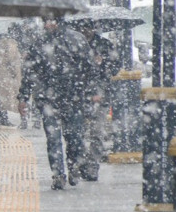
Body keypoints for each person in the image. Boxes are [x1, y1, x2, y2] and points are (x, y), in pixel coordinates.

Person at [18, 18, 96, 190]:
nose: (48, 24)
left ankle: (73, 167)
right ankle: (58, 175)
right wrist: (23, 96)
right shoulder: (40, 42)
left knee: (74, 137)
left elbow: (89, 68)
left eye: (52, 21)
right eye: (46, 21)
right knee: (53, 138)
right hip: (49, 98)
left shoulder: (75, 39)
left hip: (72, 97)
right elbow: (29, 70)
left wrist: (89, 91)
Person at [71, 24, 118, 181]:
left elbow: (115, 68)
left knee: (96, 133)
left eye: (89, 27)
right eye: (83, 27)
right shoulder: (74, 45)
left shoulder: (105, 45)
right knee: (79, 133)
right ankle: (81, 163)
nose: (86, 30)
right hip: (80, 96)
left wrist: (103, 63)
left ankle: (92, 166)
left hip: (101, 97)